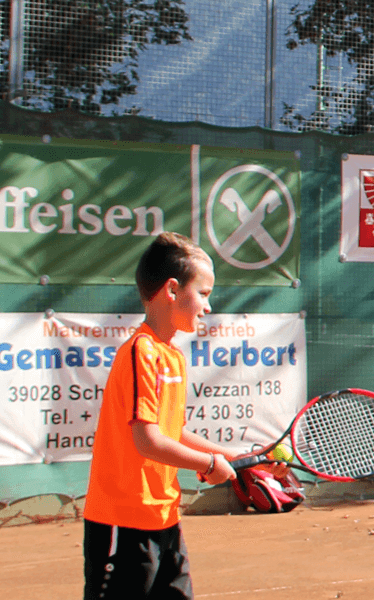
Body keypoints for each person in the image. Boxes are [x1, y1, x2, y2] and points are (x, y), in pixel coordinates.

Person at [82, 232, 238, 600]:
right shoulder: (141, 352)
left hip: (164, 519)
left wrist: (236, 458)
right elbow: (147, 441)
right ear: (172, 290)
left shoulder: (173, 357)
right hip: (123, 522)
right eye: (203, 293)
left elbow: (173, 432)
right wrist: (208, 463)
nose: (208, 306)